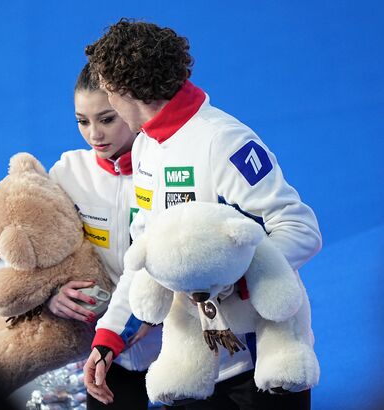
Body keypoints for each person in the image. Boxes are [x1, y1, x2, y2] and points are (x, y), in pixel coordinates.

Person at [82, 19, 322, 410]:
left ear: (126, 90)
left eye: (109, 92)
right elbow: (147, 256)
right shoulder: (145, 148)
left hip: (259, 369)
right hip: (192, 370)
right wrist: (110, 336)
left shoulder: (224, 140)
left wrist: (233, 278)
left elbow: (299, 228)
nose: (109, 103)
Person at [48, 63, 162, 409]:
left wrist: (154, 309)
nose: (94, 134)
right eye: (83, 121)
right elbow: (46, 254)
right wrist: (53, 295)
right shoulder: (68, 173)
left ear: (133, 107)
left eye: (107, 119)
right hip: (112, 357)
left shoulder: (165, 168)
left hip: (176, 347)